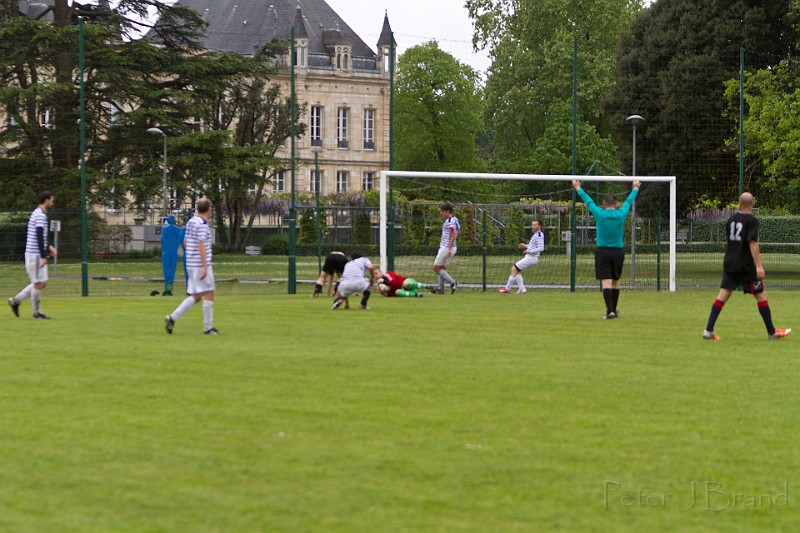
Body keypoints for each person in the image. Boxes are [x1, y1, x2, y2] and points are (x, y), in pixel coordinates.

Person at [703, 192, 792, 341]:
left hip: (730, 263)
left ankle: (708, 330)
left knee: (723, 295)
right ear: (753, 204)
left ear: (739, 204)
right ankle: (772, 332)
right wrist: (759, 266)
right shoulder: (752, 220)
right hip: (745, 266)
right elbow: (753, 243)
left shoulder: (731, 219)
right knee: (761, 295)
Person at [572, 179, 640, 319]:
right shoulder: (621, 214)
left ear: (603, 203)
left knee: (606, 281)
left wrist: (578, 187)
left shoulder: (600, 214)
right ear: (615, 203)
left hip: (603, 252)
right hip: (618, 252)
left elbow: (588, 201)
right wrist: (636, 188)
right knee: (615, 280)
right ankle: (613, 310)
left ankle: (609, 311)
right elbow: (628, 201)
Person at [164, 198, 220, 335]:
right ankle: (208, 327)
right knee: (210, 293)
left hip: (191, 263)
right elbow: (201, 244)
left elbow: (185, 241)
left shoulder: (191, 222)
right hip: (200, 264)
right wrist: (205, 266)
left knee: (196, 295)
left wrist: (191, 256)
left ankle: (172, 317)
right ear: (209, 209)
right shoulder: (201, 224)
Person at [8, 191, 57, 319]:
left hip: (36, 253)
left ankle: (15, 301)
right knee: (38, 284)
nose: (52, 202)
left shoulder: (38, 213)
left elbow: (39, 236)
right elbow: (39, 235)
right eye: (51, 199)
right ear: (46, 200)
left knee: (42, 282)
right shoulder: (40, 215)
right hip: (34, 255)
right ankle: (36, 312)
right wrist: (43, 256)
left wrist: (48, 247)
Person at [498, 218, 545, 294]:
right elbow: (533, 246)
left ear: (539, 226)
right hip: (530, 257)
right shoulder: (536, 235)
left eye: (534, 225)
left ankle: (507, 289)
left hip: (531, 257)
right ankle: (522, 289)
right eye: (532, 225)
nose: (532, 226)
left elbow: (541, 248)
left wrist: (528, 251)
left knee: (514, 269)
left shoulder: (539, 235)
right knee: (517, 271)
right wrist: (525, 246)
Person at [432, 202, 460, 294]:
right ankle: (441, 289)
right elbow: (458, 231)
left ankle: (452, 282)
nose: (442, 213)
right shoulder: (455, 219)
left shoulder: (450, 222)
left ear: (448, 211)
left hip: (446, 247)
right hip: (452, 247)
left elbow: (452, 235)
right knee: (442, 267)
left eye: (443, 211)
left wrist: (448, 249)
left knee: (436, 267)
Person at [160, 215, 182, 296]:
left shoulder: (164, 229)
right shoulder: (177, 229)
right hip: (173, 252)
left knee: (166, 271)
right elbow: (179, 240)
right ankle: (170, 288)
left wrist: (165, 248)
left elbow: (162, 239)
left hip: (166, 252)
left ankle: (167, 288)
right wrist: (174, 246)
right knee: (172, 270)